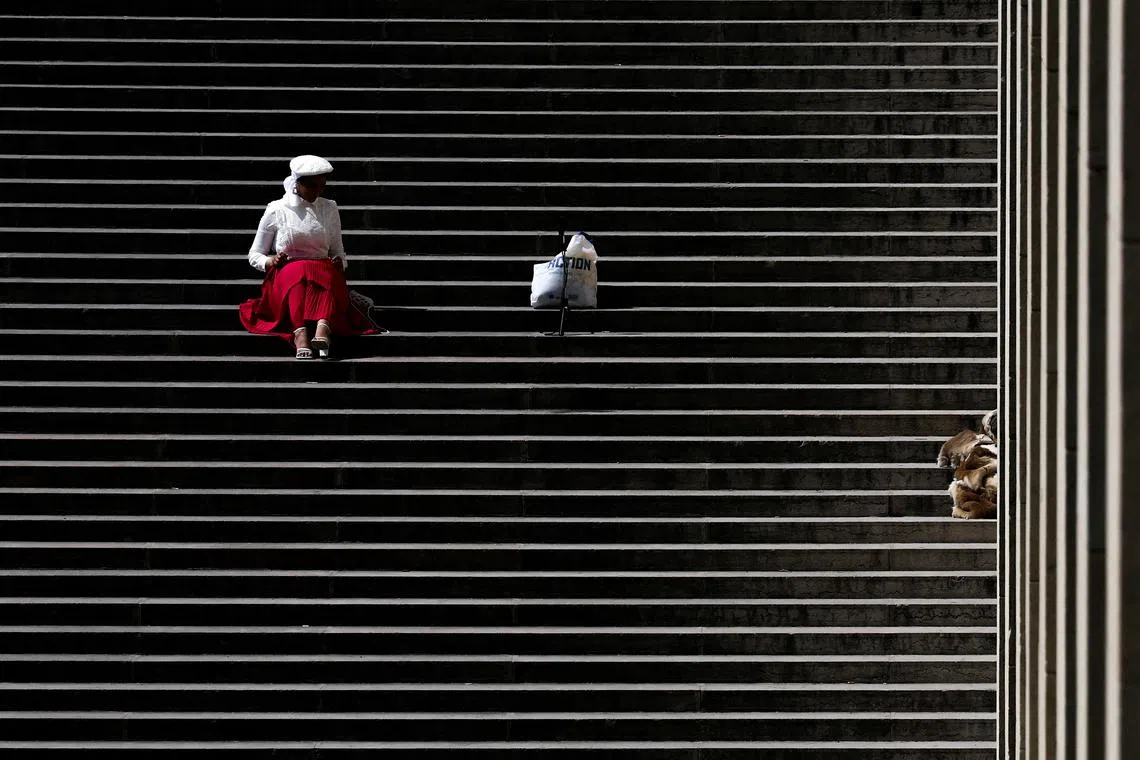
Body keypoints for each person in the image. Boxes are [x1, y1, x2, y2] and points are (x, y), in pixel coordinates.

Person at [238, 154, 380, 359]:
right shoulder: (277, 209)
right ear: (298, 184)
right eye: (312, 186)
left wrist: (340, 261)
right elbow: (255, 254)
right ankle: (300, 332)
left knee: (324, 270)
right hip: (288, 274)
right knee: (299, 270)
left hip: (322, 271)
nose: (318, 191)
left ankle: (323, 327)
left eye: (322, 186)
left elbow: (337, 249)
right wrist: (271, 261)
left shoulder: (329, 208)